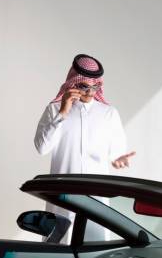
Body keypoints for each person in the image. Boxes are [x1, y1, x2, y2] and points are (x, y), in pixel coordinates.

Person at [34, 54, 135, 241]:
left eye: (95, 87)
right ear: (73, 84)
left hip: (96, 196)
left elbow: (117, 153)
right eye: (84, 87)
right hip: (62, 195)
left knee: (94, 251)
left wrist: (119, 159)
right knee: (58, 251)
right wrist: (62, 113)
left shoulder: (108, 113)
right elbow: (41, 148)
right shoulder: (54, 110)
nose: (90, 92)